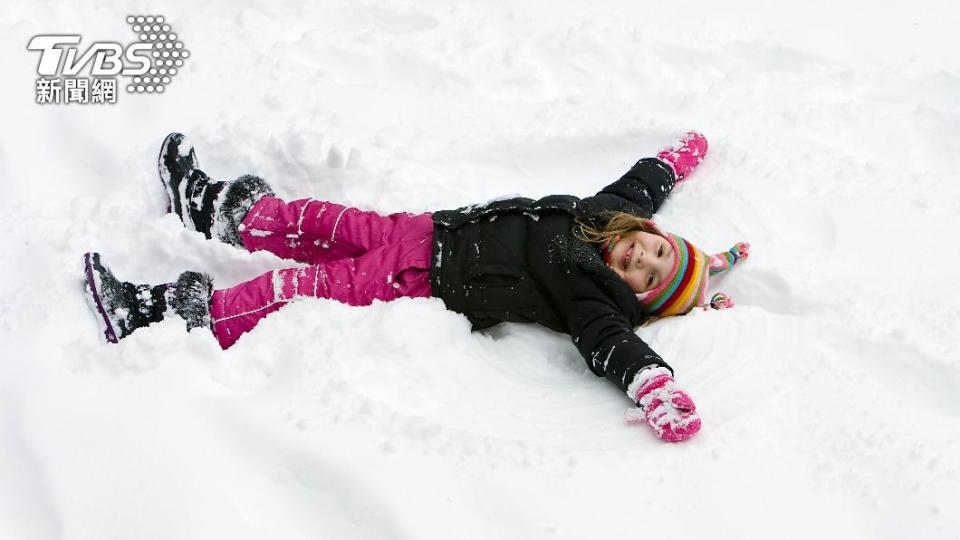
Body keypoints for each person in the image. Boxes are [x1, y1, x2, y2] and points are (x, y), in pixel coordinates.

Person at [82, 131, 750, 443]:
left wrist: (655, 384)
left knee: (297, 285)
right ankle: (213, 206)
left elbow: (611, 345)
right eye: (657, 248)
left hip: (422, 274)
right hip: (425, 230)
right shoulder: (603, 213)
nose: (642, 256)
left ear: (634, 296)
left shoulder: (592, 300)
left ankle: (159, 313)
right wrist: (675, 160)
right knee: (312, 219)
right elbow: (643, 185)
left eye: (648, 277)